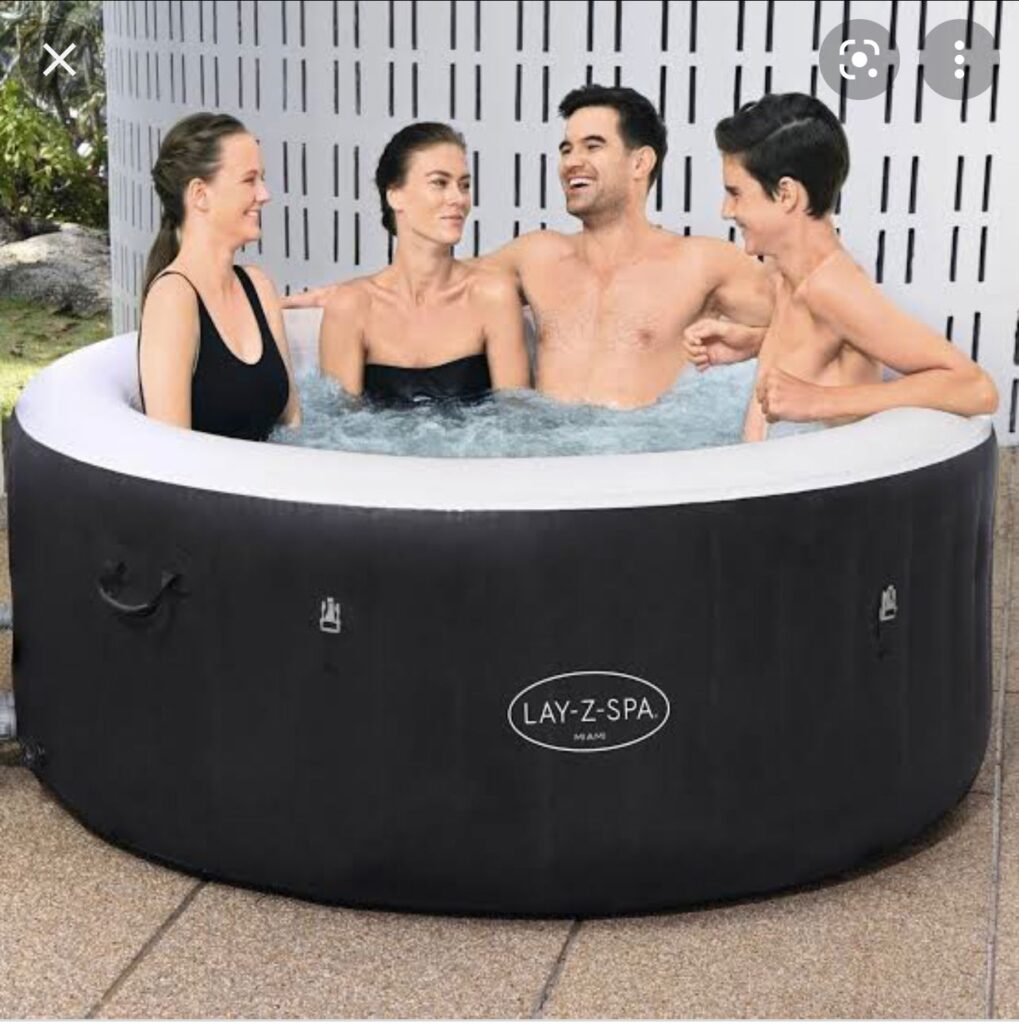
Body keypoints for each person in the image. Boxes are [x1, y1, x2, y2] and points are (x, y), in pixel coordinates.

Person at [287, 85, 773, 410]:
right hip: (542, 456)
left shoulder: (701, 263)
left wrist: (754, 341)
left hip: (635, 461)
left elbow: (802, 317)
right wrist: (339, 294)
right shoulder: (537, 256)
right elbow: (435, 273)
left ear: (640, 162)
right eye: (566, 148)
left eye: (592, 146)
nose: (571, 161)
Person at [685, 92, 998, 441]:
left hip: (825, 475)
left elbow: (976, 388)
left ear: (786, 194)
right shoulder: (783, 271)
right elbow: (823, 345)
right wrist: (754, 343)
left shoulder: (833, 287)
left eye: (736, 193)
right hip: (771, 468)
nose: (726, 211)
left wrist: (820, 400)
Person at [318, 122, 529, 406]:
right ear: (395, 195)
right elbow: (338, 426)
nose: (458, 198)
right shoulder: (351, 307)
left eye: (464, 185)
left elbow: (517, 418)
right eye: (439, 183)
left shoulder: (492, 297)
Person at [138, 112, 301, 441]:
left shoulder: (258, 287)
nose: (264, 194)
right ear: (200, 195)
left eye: (262, 179)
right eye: (249, 180)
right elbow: (170, 454)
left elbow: (293, 423)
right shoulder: (173, 299)